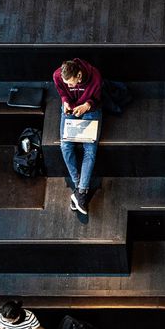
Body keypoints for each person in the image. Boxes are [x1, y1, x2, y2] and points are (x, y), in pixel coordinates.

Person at [53, 58, 103, 215]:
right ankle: (79, 187)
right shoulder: (57, 76)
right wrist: (65, 101)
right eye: (66, 82)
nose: (68, 86)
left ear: (79, 75)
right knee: (65, 145)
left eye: (71, 83)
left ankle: (80, 192)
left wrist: (86, 105)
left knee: (90, 148)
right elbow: (62, 92)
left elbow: (96, 99)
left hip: (90, 109)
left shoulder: (95, 76)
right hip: (70, 108)